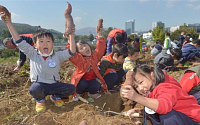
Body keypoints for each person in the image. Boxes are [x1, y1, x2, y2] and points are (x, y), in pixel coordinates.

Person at [0, 12, 76, 113]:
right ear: (35, 45)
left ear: (52, 44)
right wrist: (9, 23)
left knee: (71, 89)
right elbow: (19, 41)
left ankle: (56, 96)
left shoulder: (57, 56)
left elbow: (72, 51)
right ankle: (40, 100)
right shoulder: (32, 53)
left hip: (53, 85)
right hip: (40, 85)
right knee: (34, 89)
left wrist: (71, 36)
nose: (45, 43)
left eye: (48, 41)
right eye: (41, 41)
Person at [121, 64, 200, 125]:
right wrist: (141, 111)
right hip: (182, 118)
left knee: (168, 116)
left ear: (152, 76)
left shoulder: (166, 86)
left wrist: (136, 97)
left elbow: (163, 106)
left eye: (141, 82)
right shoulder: (153, 88)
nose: (140, 88)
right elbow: (156, 108)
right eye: (136, 87)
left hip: (193, 121)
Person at [66, 25, 110, 101]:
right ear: (78, 52)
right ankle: (78, 93)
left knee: (97, 85)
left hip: (91, 80)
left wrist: (99, 35)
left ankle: (92, 93)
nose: (85, 48)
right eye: (81, 48)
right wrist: (70, 41)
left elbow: (100, 49)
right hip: (81, 80)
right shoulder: (79, 59)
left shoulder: (94, 56)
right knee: (82, 84)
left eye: (85, 45)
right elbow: (71, 54)